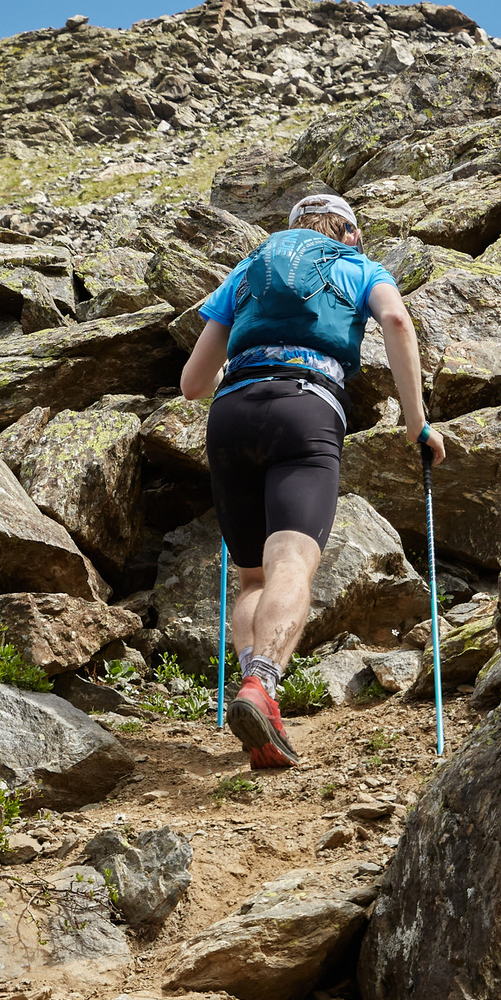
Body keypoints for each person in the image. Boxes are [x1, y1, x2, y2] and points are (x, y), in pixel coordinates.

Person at [180, 192, 442, 769]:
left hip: (230, 414)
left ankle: (259, 700)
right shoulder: (354, 264)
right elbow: (396, 319)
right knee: (292, 562)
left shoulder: (249, 271)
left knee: (252, 577)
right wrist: (415, 422)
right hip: (306, 406)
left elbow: (192, 384)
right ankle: (263, 685)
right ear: (348, 232)